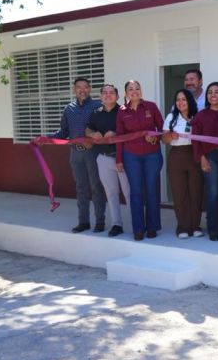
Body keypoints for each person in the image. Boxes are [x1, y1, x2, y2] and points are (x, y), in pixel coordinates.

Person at [52, 77, 106, 233]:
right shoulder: (69, 109)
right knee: (81, 187)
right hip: (75, 154)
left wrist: (94, 139)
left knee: (96, 187)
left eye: (85, 87)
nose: (82, 90)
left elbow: (103, 130)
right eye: (79, 87)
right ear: (74, 89)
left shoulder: (98, 106)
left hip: (93, 153)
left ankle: (100, 222)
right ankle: (83, 222)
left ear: (90, 89)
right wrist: (46, 138)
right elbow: (63, 132)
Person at [116, 80, 164, 241]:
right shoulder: (122, 111)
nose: (134, 91)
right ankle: (138, 228)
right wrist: (119, 159)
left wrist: (155, 138)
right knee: (135, 192)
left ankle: (152, 227)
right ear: (126, 93)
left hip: (152, 155)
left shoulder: (151, 106)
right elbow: (119, 137)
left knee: (152, 190)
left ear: (141, 91)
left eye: (137, 88)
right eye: (130, 89)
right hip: (131, 156)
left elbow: (162, 129)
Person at [85, 84, 130, 237]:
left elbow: (131, 130)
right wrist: (93, 134)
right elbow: (88, 129)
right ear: (100, 96)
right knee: (111, 193)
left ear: (117, 96)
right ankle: (117, 224)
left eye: (111, 93)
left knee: (129, 192)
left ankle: (137, 224)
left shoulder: (124, 111)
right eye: (104, 92)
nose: (108, 95)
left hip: (123, 158)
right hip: (103, 157)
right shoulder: (96, 113)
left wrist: (116, 133)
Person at [192, 82, 218, 241]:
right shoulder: (201, 116)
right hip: (210, 156)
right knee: (213, 193)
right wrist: (201, 158)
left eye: (217, 92)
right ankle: (213, 228)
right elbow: (195, 140)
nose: (213, 95)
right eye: (210, 92)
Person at [162, 89, 203, 238]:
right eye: (178, 100)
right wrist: (170, 136)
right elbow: (163, 140)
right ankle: (182, 227)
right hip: (177, 156)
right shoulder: (171, 117)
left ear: (190, 101)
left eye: (184, 99)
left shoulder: (198, 116)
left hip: (194, 155)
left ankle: (195, 226)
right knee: (179, 193)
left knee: (195, 192)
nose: (180, 102)